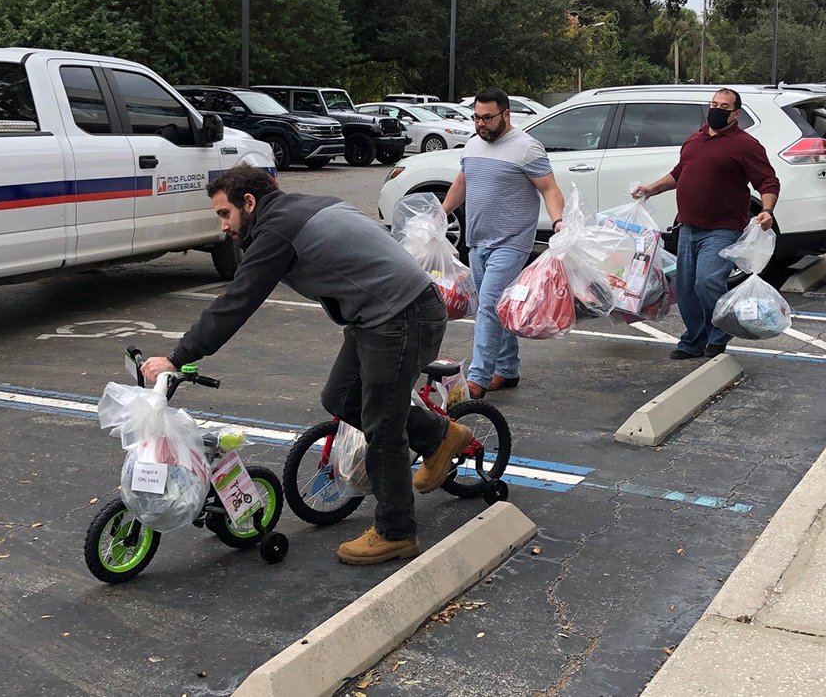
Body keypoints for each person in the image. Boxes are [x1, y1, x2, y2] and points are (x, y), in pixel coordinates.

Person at [141, 166, 472, 566]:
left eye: (224, 214)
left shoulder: (277, 231)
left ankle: (396, 531)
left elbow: (236, 303)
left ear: (250, 203)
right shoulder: (297, 209)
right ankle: (439, 436)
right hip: (378, 316)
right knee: (341, 397)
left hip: (402, 317)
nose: (224, 226)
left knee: (381, 426)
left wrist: (176, 358)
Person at [631, 87, 780, 359]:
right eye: (714, 104)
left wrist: (767, 210)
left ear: (736, 113)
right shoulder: (694, 139)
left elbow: (768, 181)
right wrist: (651, 189)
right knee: (686, 290)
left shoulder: (745, 145)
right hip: (688, 227)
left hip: (722, 230)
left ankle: (719, 334)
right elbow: (680, 173)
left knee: (707, 282)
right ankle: (693, 341)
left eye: (724, 107)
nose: (716, 110)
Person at [441, 87, 566, 400]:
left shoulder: (526, 148)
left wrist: (559, 222)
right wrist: (440, 214)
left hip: (512, 243)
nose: (481, 124)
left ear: (505, 115)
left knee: (488, 307)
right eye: (477, 118)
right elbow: (462, 183)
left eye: (487, 118)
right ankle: (508, 370)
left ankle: (477, 378)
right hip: (477, 242)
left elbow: (550, 189)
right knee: (500, 308)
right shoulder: (472, 146)